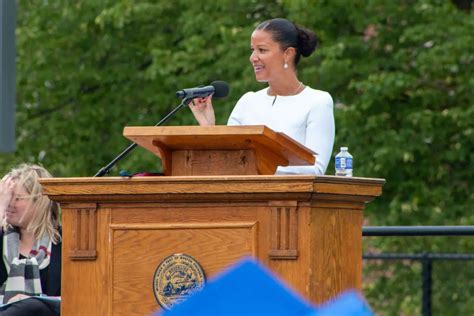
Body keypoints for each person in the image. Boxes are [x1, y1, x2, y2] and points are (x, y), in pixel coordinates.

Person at [190, 18, 335, 175]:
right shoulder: (247, 101)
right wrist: (209, 128)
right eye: (252, 50)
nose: (253, 57)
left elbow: (316, 169)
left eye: (262, 50)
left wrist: (253, 165)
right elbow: (227, 162)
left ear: (288, 54)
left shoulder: (318, 101)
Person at [0, 164, 61, 316]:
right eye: (7, 197)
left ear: (40, 201)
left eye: (17, 198)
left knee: (32, 306)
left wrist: (30, 302)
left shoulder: (65, 243)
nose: (9, 204)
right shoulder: (2, 238)